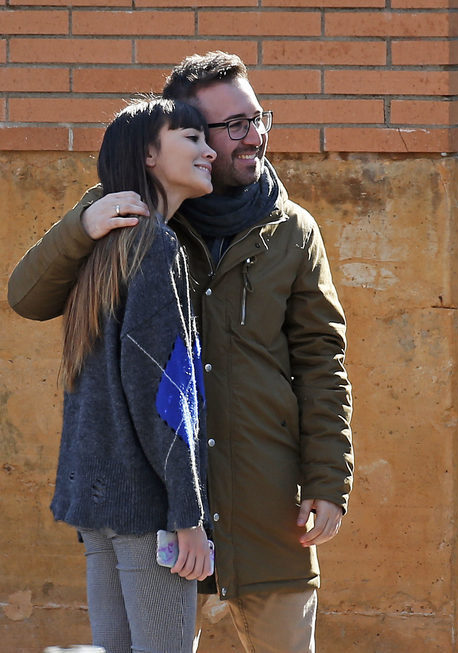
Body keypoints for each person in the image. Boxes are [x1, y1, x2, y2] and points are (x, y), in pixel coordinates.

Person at [8, 52, 354, 653]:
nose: (256, 137)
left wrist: (328, 478)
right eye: (233, 127)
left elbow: (322, 361)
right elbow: (29, 296)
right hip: (164, 504)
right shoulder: (134, 211)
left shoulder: (293, 230)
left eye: (258, 117)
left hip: (264, 504)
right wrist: (82, 226)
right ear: (177, 137)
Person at [44, 98, 216, 653]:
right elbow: (164, 398)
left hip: (96, 504)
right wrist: (188, 517)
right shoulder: (156, 248)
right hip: (146, 512)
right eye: (191, 137)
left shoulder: (103, 250)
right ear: (148, 153)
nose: (209, 149)